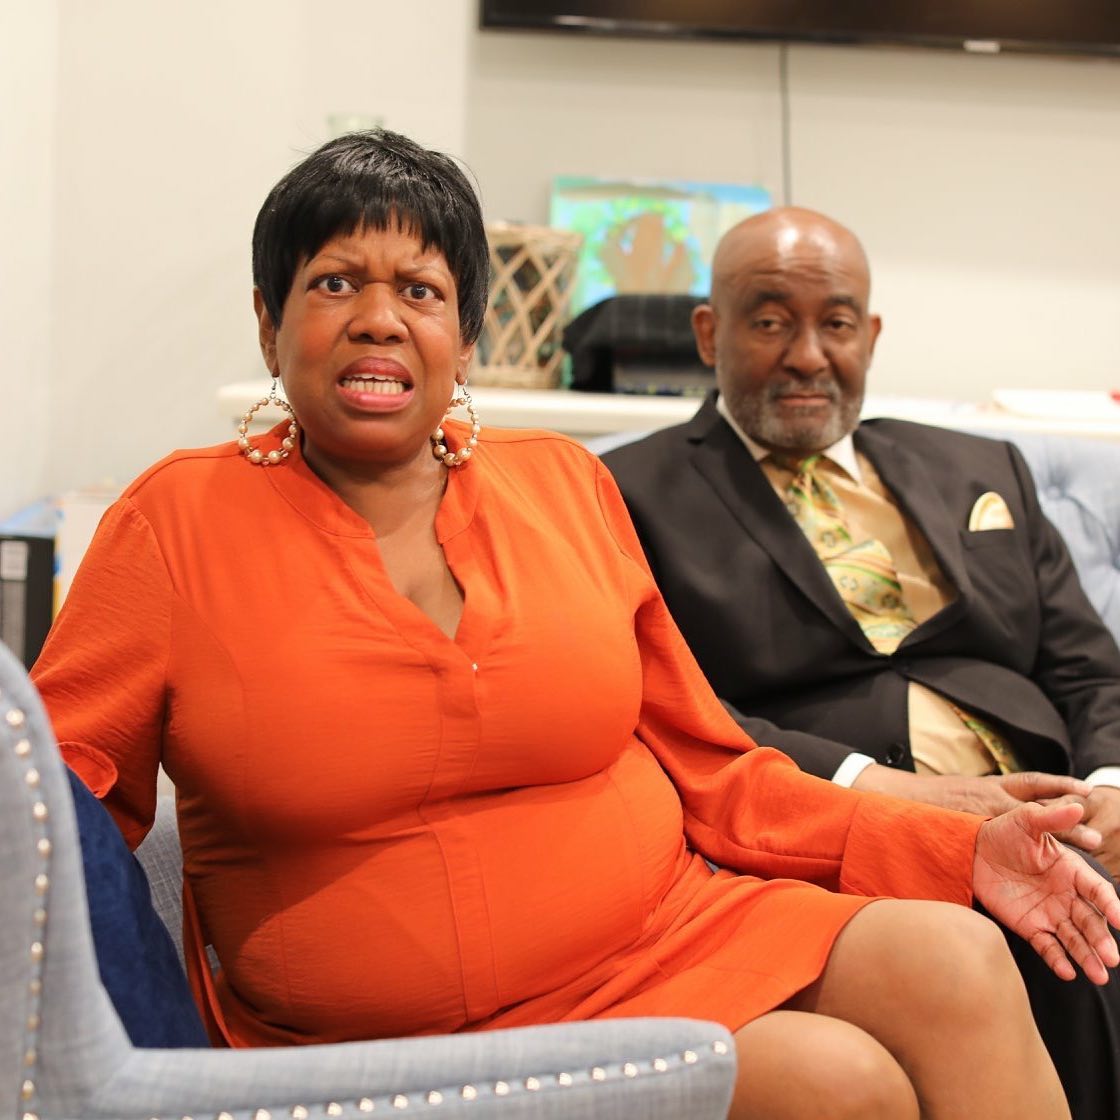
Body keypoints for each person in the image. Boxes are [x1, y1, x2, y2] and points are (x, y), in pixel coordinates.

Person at [30, 133, 1120, 1120]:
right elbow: (50, 802)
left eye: (421, 288)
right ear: (270, 324)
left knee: (959, 957)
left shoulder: (561, 484)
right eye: (334, 282)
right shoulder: (172, 523)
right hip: (392, 1034)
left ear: (466, 337)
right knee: (840, 1084)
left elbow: (712, 766)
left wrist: (956, 846)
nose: (379, 317)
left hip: (664, 932)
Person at [601, 205, 1120, 1118]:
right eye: (771, 321)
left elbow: (1088, 668)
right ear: (710, 333)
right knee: (1052, 942)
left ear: (870, 336)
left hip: (1057, 808)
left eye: (836, 323)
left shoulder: (979, 465)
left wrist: (1113, 786)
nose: (808, 355)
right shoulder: (624, 491)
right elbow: (665, 709)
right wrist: (877, 789)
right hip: (833, 829)